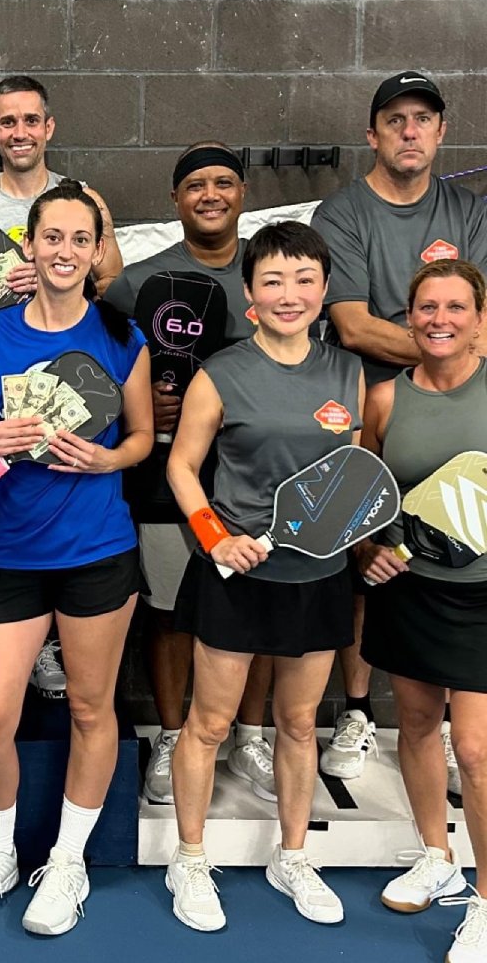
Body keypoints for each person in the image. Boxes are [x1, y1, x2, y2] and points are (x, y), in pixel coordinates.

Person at [0, 180, 153, 935]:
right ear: (28, 246)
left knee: (93, 710)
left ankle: (67, 863)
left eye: (79, 239)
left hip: (97, 552)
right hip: (9, 554)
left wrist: (106, 464)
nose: (64, 251)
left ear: (98, 252)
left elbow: (139, 439)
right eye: (51, 237)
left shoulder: (121, 337)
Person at [165, 221, 363, 932]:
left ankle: (293, 855)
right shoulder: (222, 372)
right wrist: (218, 539)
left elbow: (354, 476)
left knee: (300, 722)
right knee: (210, 722)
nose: (290, 294)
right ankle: (190, 858)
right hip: (236, 575)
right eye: (273, 280)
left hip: (319, 576)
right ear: (251, 293)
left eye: (304, 279)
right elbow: (182, 468)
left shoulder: (349, 371)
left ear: (323, 289)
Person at [312, 71, 487, 782]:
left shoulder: (469, 210)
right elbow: (352, 323)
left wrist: (448, 357)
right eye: (395, 120)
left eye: (423, 119)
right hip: (368, 401)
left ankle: (453, 727)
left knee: (453, 544)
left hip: (457, 401)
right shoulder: (344, 212)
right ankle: (356, 710)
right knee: (370, 547)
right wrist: (446, 344)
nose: (409, 132)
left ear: (441, 131)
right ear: (373, 134)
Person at [104, 142, 276, 806]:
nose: (211, 194)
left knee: (257, 605)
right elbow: (99, 367)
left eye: (224, 182)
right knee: (172, 612)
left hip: (252, 475)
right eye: (196, 184)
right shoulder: (136, 284)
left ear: (242, 194)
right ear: (176, 199)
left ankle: (250, 736)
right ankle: (174, 736)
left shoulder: (269, 276)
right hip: (165, 478)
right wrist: (141, 399)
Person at [356, 259, 487, 961]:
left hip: (482, 596)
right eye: (427, 307)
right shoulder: (382, 398)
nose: (440, 319)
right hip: (408, 588)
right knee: (412, 723)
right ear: (409, 315)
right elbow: (363, 495)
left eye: (456, 307)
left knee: (474, 747)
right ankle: (436, 856)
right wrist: (368, 551)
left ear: (479, 317)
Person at [0, 74, 122, 294]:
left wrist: (60, 280)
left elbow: (114, 284)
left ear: (48, 127)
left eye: (31, 121)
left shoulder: (86, 201)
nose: (20, 134)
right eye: (8, 122)